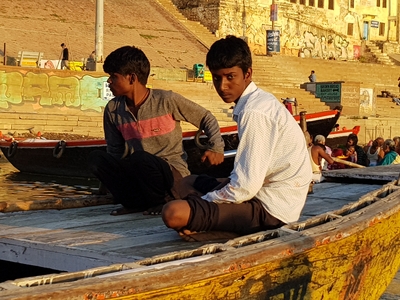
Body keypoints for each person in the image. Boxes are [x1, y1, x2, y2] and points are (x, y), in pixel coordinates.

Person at [161, 36, 312, 241]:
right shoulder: (255, 102)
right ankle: (213, 223)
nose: (222, 86)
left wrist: (207, 202)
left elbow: (245, 187)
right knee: (187, 182)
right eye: (217, 78)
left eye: (230, 77)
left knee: (173, 213)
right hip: (259, 192)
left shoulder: (255, 112)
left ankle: (218, 229)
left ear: (247, 74)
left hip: (272, 210)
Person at [88, 45, 225, 216]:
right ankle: (135, 203)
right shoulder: (113, 110)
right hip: (139, 174)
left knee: (141, 159)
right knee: (97, 158)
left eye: (113, 77)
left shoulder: (166, 100)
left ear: (132, 78)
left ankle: (163, 202)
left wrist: (216, 148)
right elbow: (114, 152)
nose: (109, 82)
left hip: (171, 176)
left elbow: (206, 118)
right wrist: (106, 184)